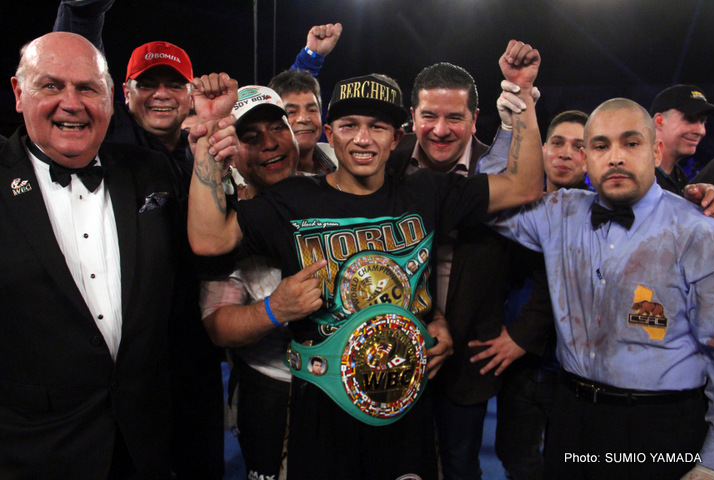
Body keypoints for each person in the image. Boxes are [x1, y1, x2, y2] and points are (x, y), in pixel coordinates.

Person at [188, 39, 544, 480]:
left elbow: (525, 185)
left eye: (377, 127)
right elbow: (208, 240)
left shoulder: (426, 191)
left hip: (406, 404)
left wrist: (523, 95)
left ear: (398, 137)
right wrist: (206, 136)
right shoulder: (291, 200)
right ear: (328, 132)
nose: (362, 138)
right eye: (349, 124)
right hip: (321, 405)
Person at [490, 97, 714, 480]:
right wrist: (514, 122)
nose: (615, 157)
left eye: (631, 143)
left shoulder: (700, 232)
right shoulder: (560, 212)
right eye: (600, 145)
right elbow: (493, 201)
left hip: (661, 427)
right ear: (587, 157)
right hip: (571, 418)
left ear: (656, 150)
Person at [0, 32, 181, 479]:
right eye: (50, 86)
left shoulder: (150, 171)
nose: (71, 103)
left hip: (145, 446)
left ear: (109, 98)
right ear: (18, 94)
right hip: (32, 452)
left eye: (87, 88)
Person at [385, 62, 546, 480]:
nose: (440, 130)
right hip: (391, 349)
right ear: (412, 117)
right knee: (396, 465)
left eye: (454, 117)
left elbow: (550, 262)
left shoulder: (505, 170)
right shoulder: (384, 163)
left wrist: (522, 333)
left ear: (475, 119)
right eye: (429, 116)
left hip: (471, 360)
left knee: (460, 465)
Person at [199, 85, 304, 480]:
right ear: (233, 154)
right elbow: (217, 324)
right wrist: (274, 310)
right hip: (270, 389)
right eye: (250, 137)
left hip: (341, 385)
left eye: (277, 128)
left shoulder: (333, 183)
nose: (269, 144)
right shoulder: (224, 221)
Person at [492, 110, 588, 480]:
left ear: (590, 157)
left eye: (579, 146)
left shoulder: (604, 214)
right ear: (543, 149)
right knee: (515, 456)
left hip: (571, 371)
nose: (565, 153)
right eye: (558, 143)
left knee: (570, 465)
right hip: (519, 365)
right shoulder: (515, 210)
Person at [651, 84, 714, 195]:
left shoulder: (679, 177)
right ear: (659, 121)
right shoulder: (636, 170)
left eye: (703, 121)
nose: (700, 131)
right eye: (689, 119)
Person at [268, 69, 337, 174]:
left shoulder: (340, 158)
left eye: (312, 110)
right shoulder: (252, 176)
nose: (303, 119)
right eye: (291, 112)